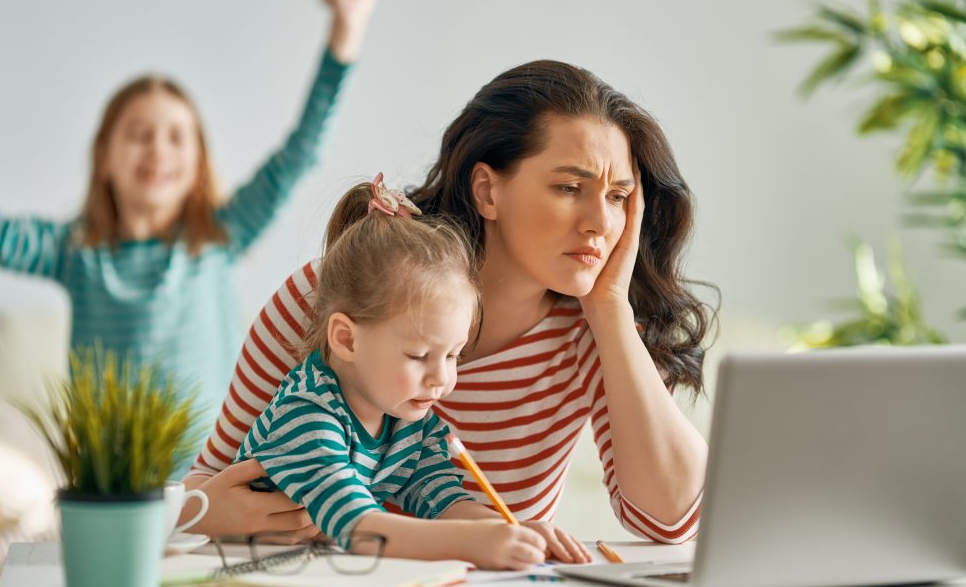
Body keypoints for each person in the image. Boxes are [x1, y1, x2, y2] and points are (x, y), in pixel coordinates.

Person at [185, 59, 714, 552]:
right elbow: (204, 486)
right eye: (569, 186)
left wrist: (610, 308)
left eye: (618, 197)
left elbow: (670, 522)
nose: (600, 222)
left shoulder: (594, 330)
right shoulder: (332, 296)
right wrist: (206, 514)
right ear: (487, 191)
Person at [0, 0, 377, 445]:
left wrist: (345, 31)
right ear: (105, 159)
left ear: (198, 164)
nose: (158, 148)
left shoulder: (218, 237)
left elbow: (301, 151)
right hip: (113, 486)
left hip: (212, 481)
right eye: (139, 134)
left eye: (176, 137)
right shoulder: (74, 252)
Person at [233, 175, 589, 569]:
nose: (443, 379)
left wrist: (513, 530)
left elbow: (444, 501)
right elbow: (356, 528)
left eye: (454, 355)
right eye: (420, 355)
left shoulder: (405, 418)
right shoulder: (306, 415)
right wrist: (473, 542)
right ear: (347, 340)